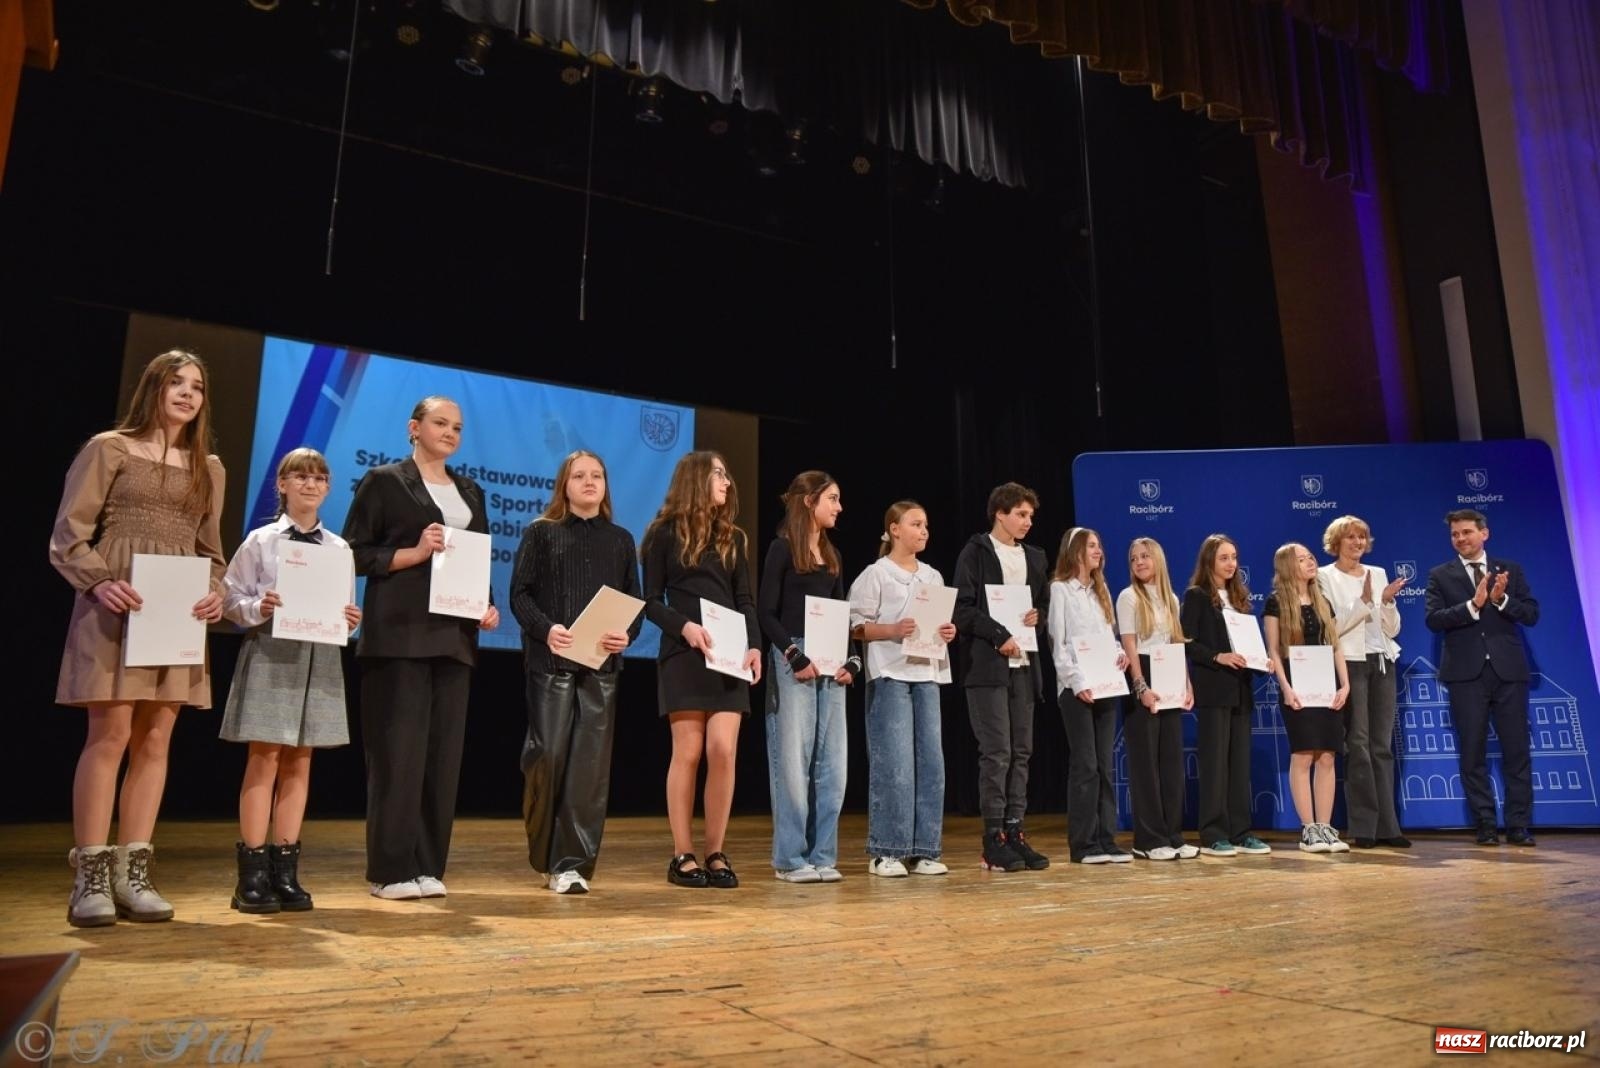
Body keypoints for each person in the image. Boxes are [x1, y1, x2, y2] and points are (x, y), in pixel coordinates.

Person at [50, 349, 227, 927]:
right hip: (120, 600)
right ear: (152, 388)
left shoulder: (210, 467)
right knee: (112, 732)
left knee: (157, 738)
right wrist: (98, 583)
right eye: (175, 383)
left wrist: (216, 590)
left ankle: (135, 871)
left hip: (177, 610)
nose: (186, 394)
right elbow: (69, 536)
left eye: (196, 387)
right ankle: (91, 875)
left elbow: (211, 554)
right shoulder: (110, 448)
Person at [343, 395, 500, 901]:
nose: (451, 432)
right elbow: (356, 553)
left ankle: (428, 866)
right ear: (415, 427)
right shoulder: (385, 482)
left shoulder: (471, 491)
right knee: (398, 756)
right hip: (399, 636)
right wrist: (414, 553)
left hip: (454, 639)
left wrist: (487, 604)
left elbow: (476, 560)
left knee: (441, 759)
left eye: (458, 426)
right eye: (440, 423)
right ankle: (389, 871)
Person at [219, 447, 361, 913]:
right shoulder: (261, 541)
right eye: (300, 476)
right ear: (282, 484)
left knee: (300, 763)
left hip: (318, 659)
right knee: (265, 758)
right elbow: (229, 598)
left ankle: (286, 872)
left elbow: (342, 610)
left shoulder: (340, 549)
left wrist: (349, 618)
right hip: (271, 653)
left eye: (319, 477)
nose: (310, 484)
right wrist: (257, 607)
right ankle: (252, 875)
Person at [510, 449, 642, 895]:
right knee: (546, 756)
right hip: (551, 663)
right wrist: (547, 630)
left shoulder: (621, 539)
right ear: (563, 485)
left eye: (597, 475)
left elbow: (633, 602)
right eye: (580, 475)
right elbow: (520, 595)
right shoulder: (541, 534)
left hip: (601, 667)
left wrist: (628, 633)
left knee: (589, 769)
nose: (590, 482)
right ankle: (544, 852)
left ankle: (571, 865)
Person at [642, 451, 762, 888]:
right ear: (695, 479)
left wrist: (753, 647)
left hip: (729, 657)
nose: (727, 482)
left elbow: (745, 600)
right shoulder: (662, 533)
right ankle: (682, 854)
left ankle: (715, 851)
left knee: (724, 751)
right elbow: (651, 600)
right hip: (685, 653)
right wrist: (685, 628)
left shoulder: (734, 538)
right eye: (718, 474)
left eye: (727, 475)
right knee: (688, 753)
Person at [759, 471, 861, 883]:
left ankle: (823, 855)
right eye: (833, 499)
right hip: (794, 658)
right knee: (792, 759)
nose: (839, 507)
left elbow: (841, 614)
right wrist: (794, 653)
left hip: (830, 659)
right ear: (809, 501)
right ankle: (789, 859)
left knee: (833, 762)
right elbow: (766, 612)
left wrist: (852, 659)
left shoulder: (833, 556)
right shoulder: (781, 549)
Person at [849, 501, 956, 878]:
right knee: (894, 763)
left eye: (926, 525)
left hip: (927, 673)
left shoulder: (933, 576)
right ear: (894, 529)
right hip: (891, 673)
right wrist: (892, 630)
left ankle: (925, 849)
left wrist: (948, 631)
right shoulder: (876, 574)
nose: (924, 531)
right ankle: (887, 850)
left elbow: (941, 623)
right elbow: (855, 625)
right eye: (915, 524)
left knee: (931, 763)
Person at [1425, 509, 1540, 846]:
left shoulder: (1509, 570)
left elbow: (1531, 614)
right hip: (1465, 675)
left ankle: (1519, 825)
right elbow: (1434, 620)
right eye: (1455, 534)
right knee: (1472, 753)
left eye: (1466, 532)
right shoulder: (1439, 576)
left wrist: (1501, 599)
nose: (1460, 539)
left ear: (1484, 534)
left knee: (1516, 751)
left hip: (1508, 672)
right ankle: (1486, 825)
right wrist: (1472, 606)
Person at [953, 482, 1049, 873]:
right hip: (988, 667)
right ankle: (993, 839)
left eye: (1030, 516)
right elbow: (962, 609)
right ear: (1000, 514)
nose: (1027, 522)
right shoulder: (975, 552)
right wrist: (999, 636)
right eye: (1021, 515)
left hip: (1024, 665)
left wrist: (1037, 618)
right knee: (997, 753)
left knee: (1022, 752)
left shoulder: (1036, 557)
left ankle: (1015, 832)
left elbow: (1040, 605)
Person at [1317, 515, 1408, 849]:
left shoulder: (1378, 573)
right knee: (1358, 744)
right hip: (1350, 664)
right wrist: (1365, 602)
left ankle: (1389, 826)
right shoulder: (1325, 577)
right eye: (1350, 537)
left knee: (1381, 746)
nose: (1357, 543)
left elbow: (1392, 629)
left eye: (1362, 537)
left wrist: (1384, 602)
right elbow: (1333, 628)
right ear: (1336, 542)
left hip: (1382, 660)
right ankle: (1364, 827)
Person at [1180, 534, 1273, 857]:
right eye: (1223, 558)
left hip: (1241, 690)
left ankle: (1241, 831)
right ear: (1209, 562)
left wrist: (1262, 660)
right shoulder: (1196, 596)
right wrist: (1217, 657)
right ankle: (1213, 833)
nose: (1231, 563)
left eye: (1234, 557)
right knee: (1215, 764)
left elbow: (1246, 645)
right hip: (1214, 689)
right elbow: (1185, 641)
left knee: (1238, 765)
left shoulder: (1240, 598)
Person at [1049, 527, 1131, 865]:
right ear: (1076, 551)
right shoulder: (1060, 590)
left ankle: (1106, 839)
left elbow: (1105, 636)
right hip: (1076, 689)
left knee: (1104, 765)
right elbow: (1059, 641)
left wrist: (1118, 654)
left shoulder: (1102, 591)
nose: (1098, 551)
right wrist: (1075, 680)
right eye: (1092, 546)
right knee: (1085, 765)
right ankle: (1082, 844)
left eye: (1099, 545)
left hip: (1105, 685)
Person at [1265, 542, 1351, 855]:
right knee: (1303, 755)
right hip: (1298, 687)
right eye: (1302, 559)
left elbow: (1335, 644)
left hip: (1327, 686)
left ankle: (1326, 827)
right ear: (1288, 567)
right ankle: (1309, 829)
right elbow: (1274, 650)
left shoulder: (1322, 600)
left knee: (1327, 756)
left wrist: (1345, 684)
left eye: (1311, 557)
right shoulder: (1275, 603)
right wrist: (1286, 689)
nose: (1310, 562)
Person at [1116, 537, 1197, 861]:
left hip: (1170, 672)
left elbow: (1177, 645)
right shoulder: (1127, 598)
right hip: (1144, 676)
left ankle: (1172, 835)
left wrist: (1186, 684)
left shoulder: (1171, 599)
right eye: (1134, 558)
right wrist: (1141, 687)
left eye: (1145, 556)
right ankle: (1147, 839)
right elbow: (1130, 647)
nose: (1139, 562)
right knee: (1145, 763)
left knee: (1170, 761)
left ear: (1158, 560)